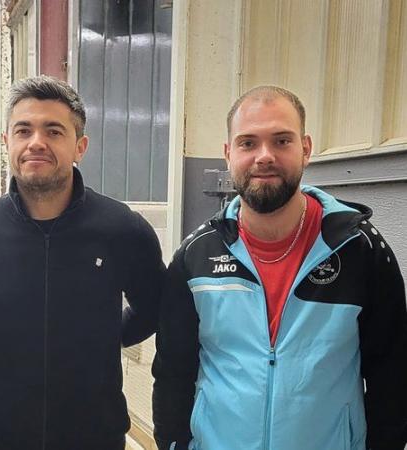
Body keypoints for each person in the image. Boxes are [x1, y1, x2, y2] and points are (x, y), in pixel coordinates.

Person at [152, 85, 407, 450]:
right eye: (248, 143)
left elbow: (391, 374)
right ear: (228, 154)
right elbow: (173, 375)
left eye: (281, 141)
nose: (264, 156)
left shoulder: (359, 248)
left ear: (305, 148)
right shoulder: (196, 257)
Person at [0, 75, 165, 450]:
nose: (37, 143)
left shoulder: (122, 229)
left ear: (80, 146)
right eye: (23, 130)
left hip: (96, 439)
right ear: (6, 143)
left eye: (54, 131)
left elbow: (154, 308)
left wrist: (106, 341)